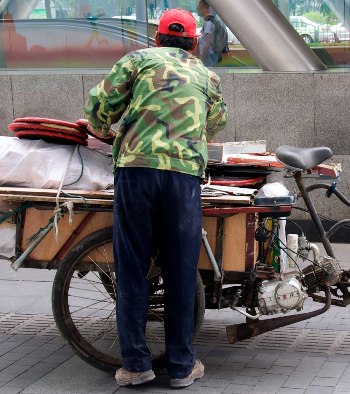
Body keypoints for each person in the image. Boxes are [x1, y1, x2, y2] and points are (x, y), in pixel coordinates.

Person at [84, 8, 227, 389]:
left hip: (136, 171)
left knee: (132, 265)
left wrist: (103, 130)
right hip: (183, 178)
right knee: (181, 267)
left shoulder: (137, 60)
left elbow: (100, 106)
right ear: (194, 42)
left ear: (158, 39)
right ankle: (181, 366)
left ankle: (136, 365)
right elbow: (216, 122)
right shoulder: (206, 75)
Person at [197, 0, 225, 66]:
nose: (198, 10)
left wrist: (202, 59)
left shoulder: (209, 23)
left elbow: (207, 44)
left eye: (200, 9)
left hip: (208, 56)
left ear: (206, 9)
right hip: (210, 55)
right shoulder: (212, 21)